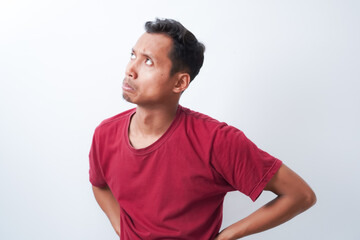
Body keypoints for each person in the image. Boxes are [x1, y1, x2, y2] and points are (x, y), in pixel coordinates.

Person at [89, 18, 316, 240]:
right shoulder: (104, 134)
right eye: (133, 55)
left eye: (148, 61)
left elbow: (300, 195)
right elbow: (99, 185)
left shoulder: (216, 141)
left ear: (179, 83)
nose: (130, 69)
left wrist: (229, 235)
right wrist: (124, 231)